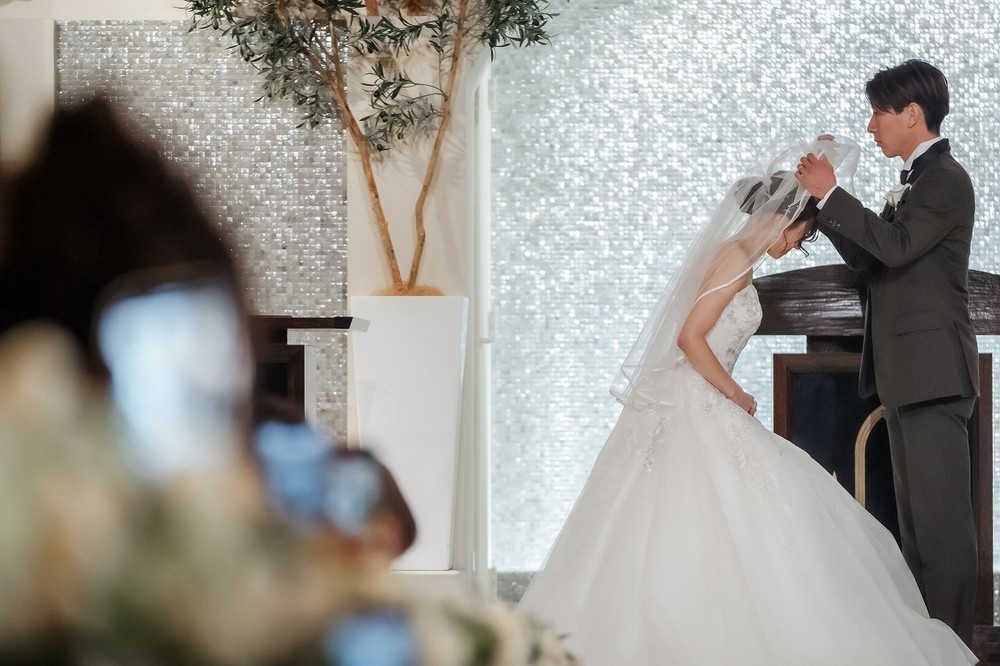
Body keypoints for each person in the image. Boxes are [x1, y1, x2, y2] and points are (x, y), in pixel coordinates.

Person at [517, 137, 977, 664]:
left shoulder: (736, 259)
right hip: (702, 402)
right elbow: (690, 338)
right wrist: (736, 393)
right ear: (783, 220)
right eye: (802, 237)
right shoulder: (735, 260)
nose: (796, 248)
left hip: (702, 401)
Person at [796, 60, 978, 644]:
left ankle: (955, 651)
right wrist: (821, 206)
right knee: (918, 534)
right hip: (908, 376)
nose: (871, 126)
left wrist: (833, 192)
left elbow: (895, 247)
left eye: (878, 112)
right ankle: (930, 648)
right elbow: (870, 257)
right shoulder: (917, 182)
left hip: (933, 376)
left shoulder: (946, 180)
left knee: (942, 533)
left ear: (912, 114)